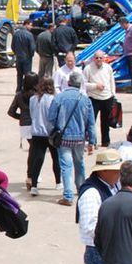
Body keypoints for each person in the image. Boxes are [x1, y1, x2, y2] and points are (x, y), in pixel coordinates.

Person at [49, 73, 96, 206]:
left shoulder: (59, 97)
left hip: (64, 138)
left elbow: (51, 117)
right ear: (80, 84)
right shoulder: (85, 100)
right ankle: (81, 189)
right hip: (80, 138)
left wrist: (57, 128)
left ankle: (68, 196)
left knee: (66, 166)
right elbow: (91, 123)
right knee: (79, 163)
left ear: (68, 83)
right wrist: (92, 141)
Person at [26, 77, 60, 196]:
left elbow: (32, 114)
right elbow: (54, 117)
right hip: (50, 132)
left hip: (36, 133)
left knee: (37, 160)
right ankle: (58, 182)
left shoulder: (33, 99)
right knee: (56, 158)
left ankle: (34, 185)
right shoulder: (53, 99)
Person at [83, 51, 119, 146]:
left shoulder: (108, 68)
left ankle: (105, 141)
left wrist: (113, 94)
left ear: (104, 58)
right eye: (97, 58)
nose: (99, 60)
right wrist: (95, 86)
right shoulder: (88, 68)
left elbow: (112, 82)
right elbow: (83, 84)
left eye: (100, 58)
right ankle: (92, 142)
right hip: (93, 98)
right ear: (93, 58)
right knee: (91, 122)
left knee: (106, 122)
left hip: (107, 98)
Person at [12, 20, 36, 90]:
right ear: (26, 24)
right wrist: (31, 55)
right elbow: (32, 48)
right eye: (30, 25)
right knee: (27, 75)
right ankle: (26, 89)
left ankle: (19, 89)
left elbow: (12, 46)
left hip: (19, 58)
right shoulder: (29, 35)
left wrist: (16, 53)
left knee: (19, 74)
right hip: (27, 58)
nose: (31, 27)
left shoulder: (16, 34)